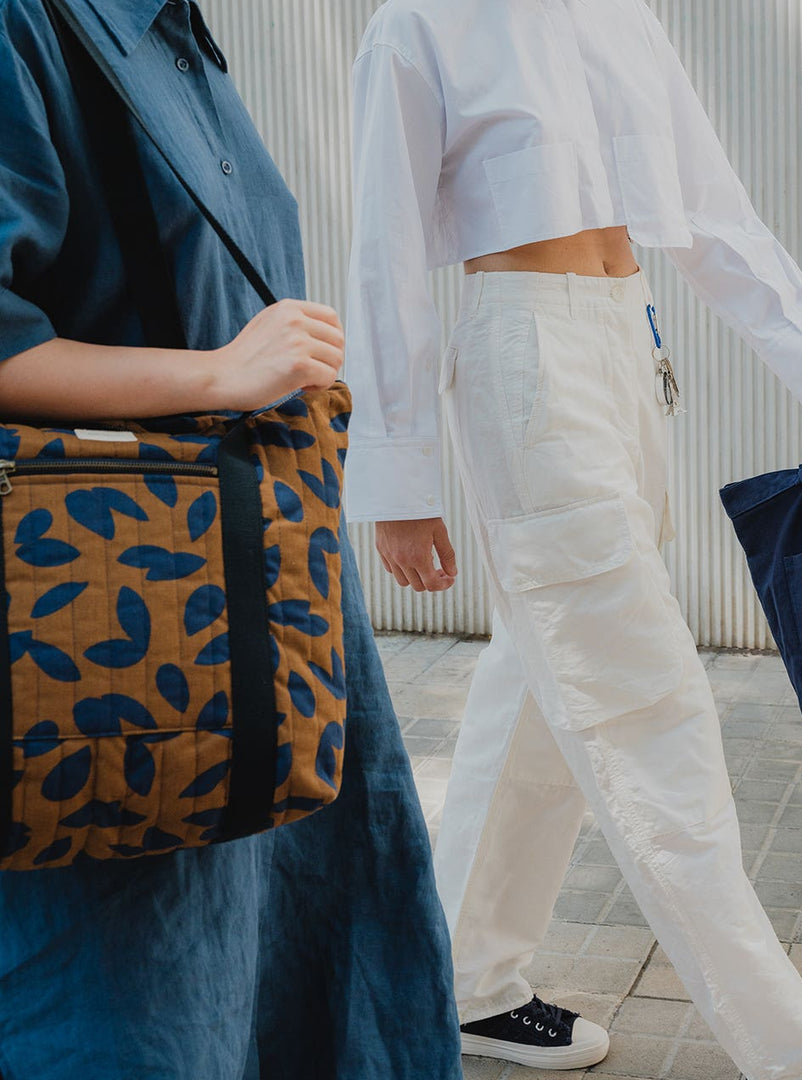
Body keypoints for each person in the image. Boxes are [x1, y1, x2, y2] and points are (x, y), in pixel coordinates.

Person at [345, 2, 802, 1079]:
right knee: (646, 698)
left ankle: (465, 983)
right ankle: (791, 1043)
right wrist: (397, 471)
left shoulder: (618, 13)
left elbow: (708, 203)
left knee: (545, 682)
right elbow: (384, 245)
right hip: (524, 356)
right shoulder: (422, 21)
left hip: (625, 341)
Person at [0, 2, 462, 1077]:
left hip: (250, 605)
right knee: (133, 1001)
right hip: (119, 634)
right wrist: (216, 375)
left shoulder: (171, 32)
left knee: (298, 967)